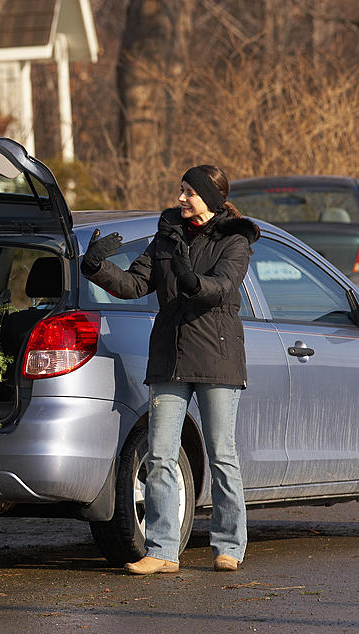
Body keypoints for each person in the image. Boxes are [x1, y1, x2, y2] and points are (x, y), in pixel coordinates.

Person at [80, 165, 260, 574]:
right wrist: (96, 267)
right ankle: (161, 550)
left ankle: (229, 544)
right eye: (180, 191)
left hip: (217, 358)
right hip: (169, 358)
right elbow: (133, 285)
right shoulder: (167, 235)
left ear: (211, 200)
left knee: (221, 454)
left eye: (188, 193)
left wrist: (190, 280)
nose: (180, 198)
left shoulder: (235, 240)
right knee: (160, 455)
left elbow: (223, 288)